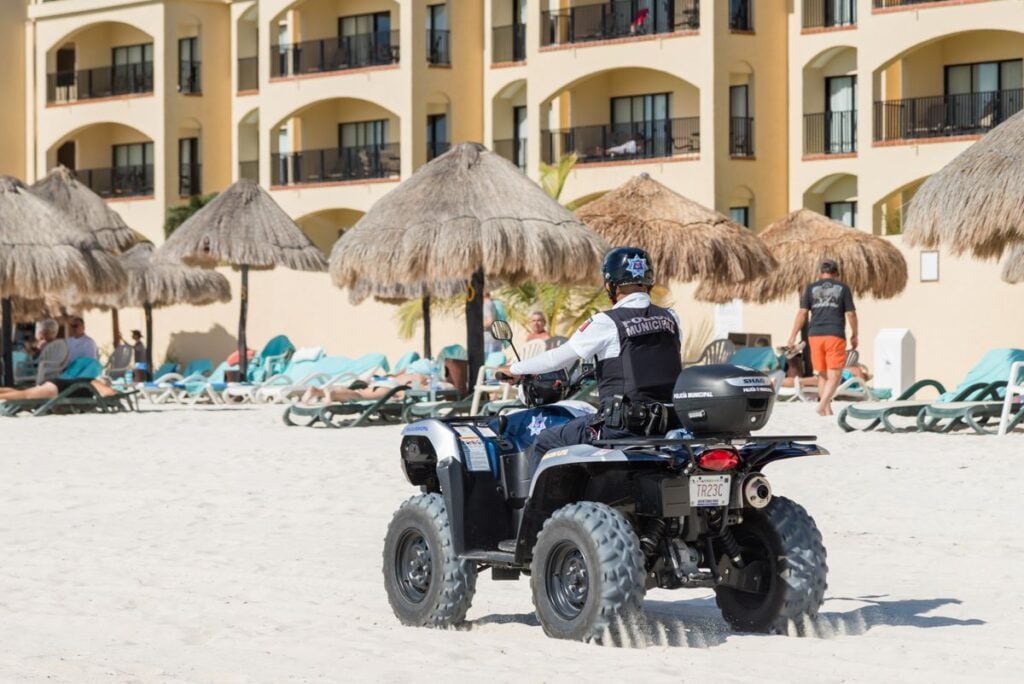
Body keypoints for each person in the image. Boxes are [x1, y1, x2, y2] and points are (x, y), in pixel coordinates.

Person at [498, 246, 682, 471]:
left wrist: (515, 368)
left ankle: (539, 507)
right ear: (648, 279)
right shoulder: (670, 318)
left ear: (610, 284)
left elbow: (558, 358)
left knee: (546, 440)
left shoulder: (606, 322)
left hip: (622, 427)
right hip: (667, 424)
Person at [786, 258, 858, 417]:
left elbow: (802, 313)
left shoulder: (811, 288)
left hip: (815, 335)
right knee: (835, 375)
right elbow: (851, 314)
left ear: (820, 272)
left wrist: (792, 336)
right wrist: (855, 334)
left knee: (823, 374)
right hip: (834, 334)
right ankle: (822, 405)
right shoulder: (843, 288)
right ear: (836, 273)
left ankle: (827, 411)